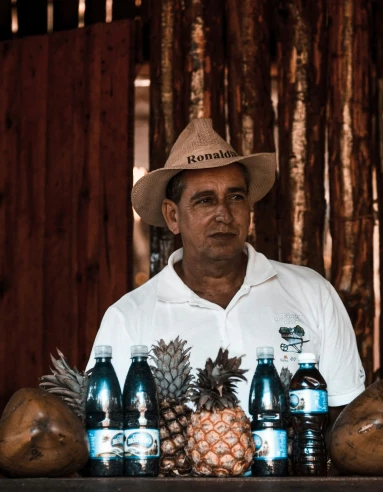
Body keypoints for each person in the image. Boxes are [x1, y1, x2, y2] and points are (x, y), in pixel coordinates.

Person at [87, 119, 365, 424]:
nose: (224, 214)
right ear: (172, 216)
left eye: (235, 197)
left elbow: (346, 417)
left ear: (249, 209)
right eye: (205, 200)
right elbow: (104, 430)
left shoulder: (312, 293)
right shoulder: (128, 318)